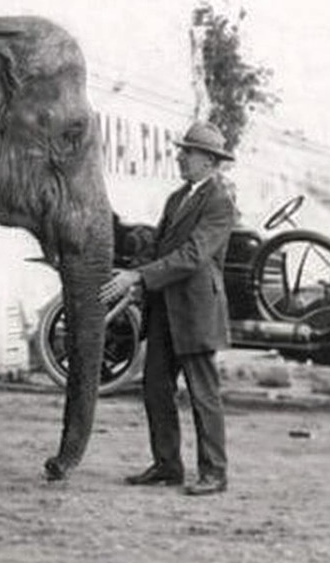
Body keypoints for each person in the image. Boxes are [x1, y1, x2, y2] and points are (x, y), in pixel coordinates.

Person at [101, 120, 235, 496]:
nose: (180, 157)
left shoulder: (219, 202)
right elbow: (160, 247)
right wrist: (136, 278)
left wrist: (139, 277)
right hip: (164, 308)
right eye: (182, 151)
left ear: (209, 161)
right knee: (156, 387)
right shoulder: (178, 198)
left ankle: (214, 473)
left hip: (195, 309)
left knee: (203, 394)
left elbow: (192, 256)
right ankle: (167, 466)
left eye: (188, 152)